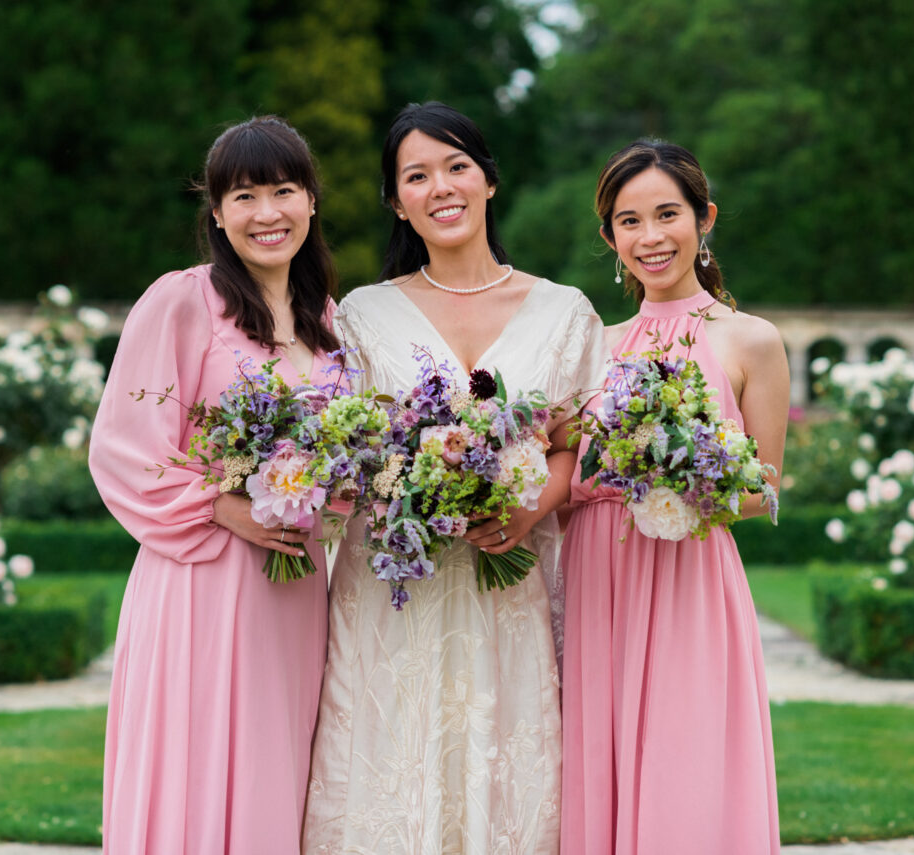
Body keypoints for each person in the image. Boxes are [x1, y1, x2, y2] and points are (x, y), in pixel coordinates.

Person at [302, 102, 607, 854]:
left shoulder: (564, 312)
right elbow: (344, 446)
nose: (440, 186)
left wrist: (531, 502)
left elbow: (580, 447)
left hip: (508, 587)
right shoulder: (363, 316)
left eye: (456, 166)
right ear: (396, 200)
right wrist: (405, 482)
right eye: (416, 175)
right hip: (391, 594)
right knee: (386, 763)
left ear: (489, 181)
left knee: (505, 770)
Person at [88, 116, 339, 854]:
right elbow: (124, 448)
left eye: (284, 191)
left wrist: (334, 489)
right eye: (245, 195)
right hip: (202, 579)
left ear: (312, 201)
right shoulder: (180, 300)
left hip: (292, 589)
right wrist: (229, 505)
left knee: (276, 764)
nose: (268, 213)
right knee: (195, 765)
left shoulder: (327, 319)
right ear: (218, 212)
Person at [559, 140, 788, 854]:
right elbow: (564, 476)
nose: (650, 237)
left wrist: (687, 489)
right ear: (610, 238)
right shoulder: (591, 345)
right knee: (603, 759)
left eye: (667, 214)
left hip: (690, 576)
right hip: (600, 581)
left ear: (704, 218)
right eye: (629, 221)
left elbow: (767, 490)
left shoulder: (751, 340)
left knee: (686, 769)